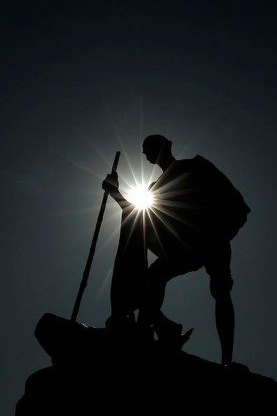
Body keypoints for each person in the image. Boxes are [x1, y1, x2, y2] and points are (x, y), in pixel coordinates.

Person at [102, 134, 249, 366]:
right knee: (153, 276)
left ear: (167, 146)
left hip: (211, 238)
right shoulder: (154, 189)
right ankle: (156, 331)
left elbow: (235, 203)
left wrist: (221, 231)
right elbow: (137, 214)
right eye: (146, 150)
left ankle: (226, 361)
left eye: (151, 147)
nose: (147, 153)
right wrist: (116, 193)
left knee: (220, 290)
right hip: (183, 247)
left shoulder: (196, 166)